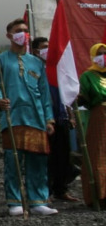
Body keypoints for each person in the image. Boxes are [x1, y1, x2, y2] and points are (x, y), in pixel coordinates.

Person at [0, 18, 57, 216]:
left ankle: (38, 200)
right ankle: (14, 201)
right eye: (19, 30)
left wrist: (49, 118)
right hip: (13, 117)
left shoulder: (36, 62)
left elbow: (44, 93)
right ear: (9, 35)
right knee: (13, 160)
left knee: (38, 160)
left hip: (36, 116)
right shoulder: (1, 60)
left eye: (26, 30)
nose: (23, 33)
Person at [39, 36, 78, 202]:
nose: (48, 50)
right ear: (36, 51)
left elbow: (66, 94)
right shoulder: (38, 70)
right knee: (47, 157)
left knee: (63, 156)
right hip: (45, 120)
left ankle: (61, 189)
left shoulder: (59, 69)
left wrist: (71, 115)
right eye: (43, 47)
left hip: (61, 118)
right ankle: (45, 192)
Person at [76, 43, 106, 208]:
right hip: (99, 118)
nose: (103, 56)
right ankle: (99, 195)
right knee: (98, 154)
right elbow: (84, 100)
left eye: (105, 53)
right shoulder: (87, 76)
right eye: (99, 53)